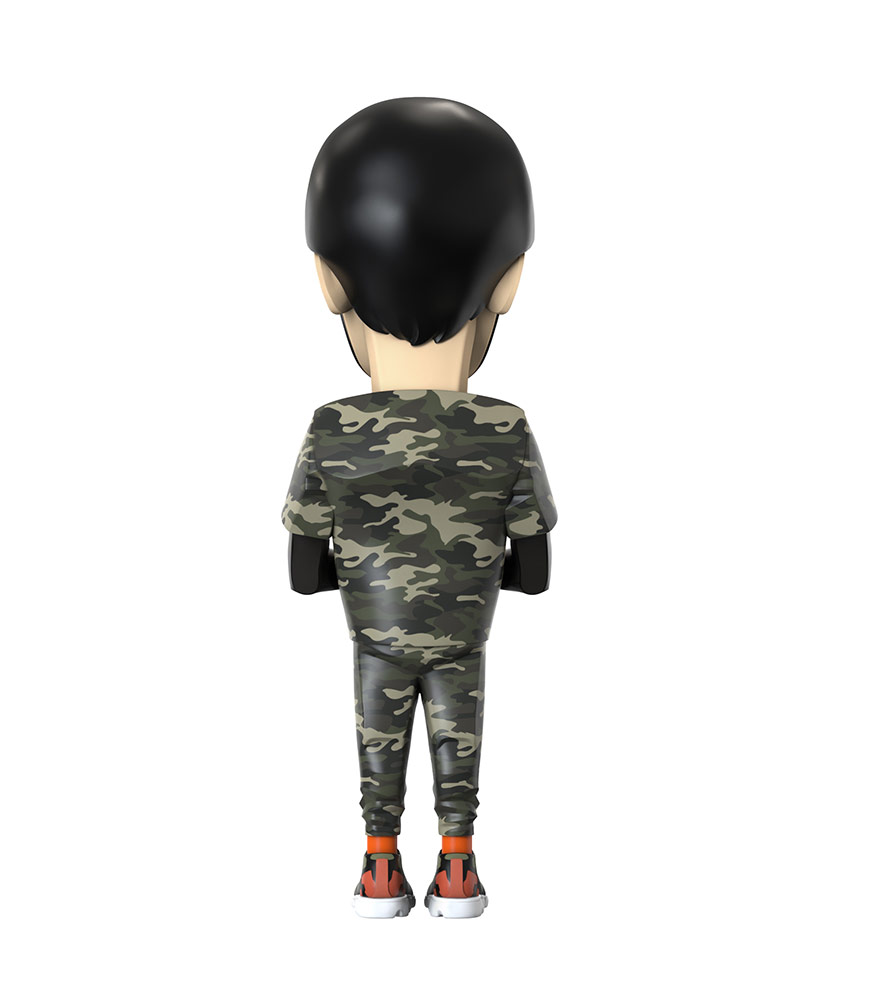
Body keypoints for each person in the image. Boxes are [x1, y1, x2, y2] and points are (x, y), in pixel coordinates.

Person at [282, 97, 557, 919]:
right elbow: (535, 570)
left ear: (328, 281)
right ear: (509, 282)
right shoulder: (506, 427)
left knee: (378, 733)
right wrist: (469, 574)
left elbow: (302, 570)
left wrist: (365, 575)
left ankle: (379, 865)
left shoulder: (332, 428)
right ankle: (458, 866)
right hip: (464, 633)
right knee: (457, 734)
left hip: (374, 634)